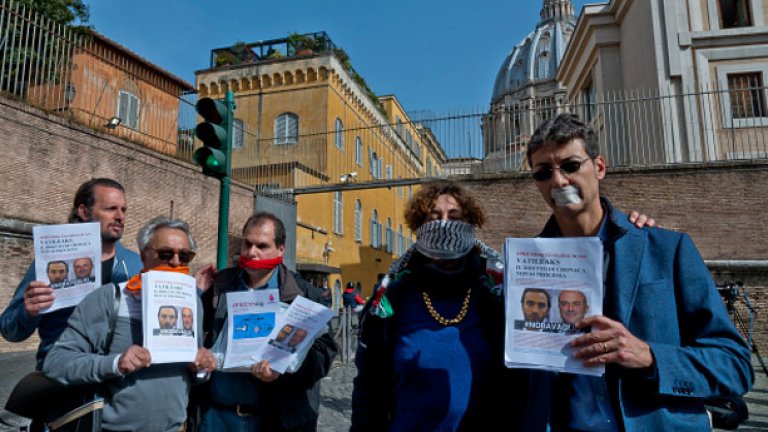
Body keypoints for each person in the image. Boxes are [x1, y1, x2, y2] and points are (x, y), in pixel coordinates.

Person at [521, 113, 754, 431]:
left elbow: (735, 364)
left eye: (571, 166)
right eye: (543, 172)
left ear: (599, 167)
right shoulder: (525, 265)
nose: (558, 181)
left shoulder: (667, 249)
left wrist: (649, 356)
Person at [352, 180, 519, 431]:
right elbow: (369, 382)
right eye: (433, 216)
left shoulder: (497, 290)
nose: (443, 223)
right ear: (419, 227)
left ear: (470, 225)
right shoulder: (391, 294)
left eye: (454, 216)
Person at [43, 216, 217, 431]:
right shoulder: (110, 298)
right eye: (165, 254)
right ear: (143, 256)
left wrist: (201, 367)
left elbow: (189, 377)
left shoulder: (192, 304)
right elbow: (56, 363)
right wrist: (116, 364)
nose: (175, 262)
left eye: (185, 256)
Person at [200, 211, 337, 431]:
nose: (251, 252)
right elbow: (200, 334)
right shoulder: (219, 286)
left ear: (280, 249)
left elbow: (324, 353)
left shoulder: (306, 295)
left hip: (277, 419)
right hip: (218, 417)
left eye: (262, 246)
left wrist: (283, 372)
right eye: (247, 244)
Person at [1, 178, 142, 370]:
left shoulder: (135, 265)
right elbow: (10, 330)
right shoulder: (51, 264)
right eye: (110, 208)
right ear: (84, 212)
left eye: (123, 209)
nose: (120, 217)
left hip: (116, 377)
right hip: (62, 376)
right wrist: (28, 312)